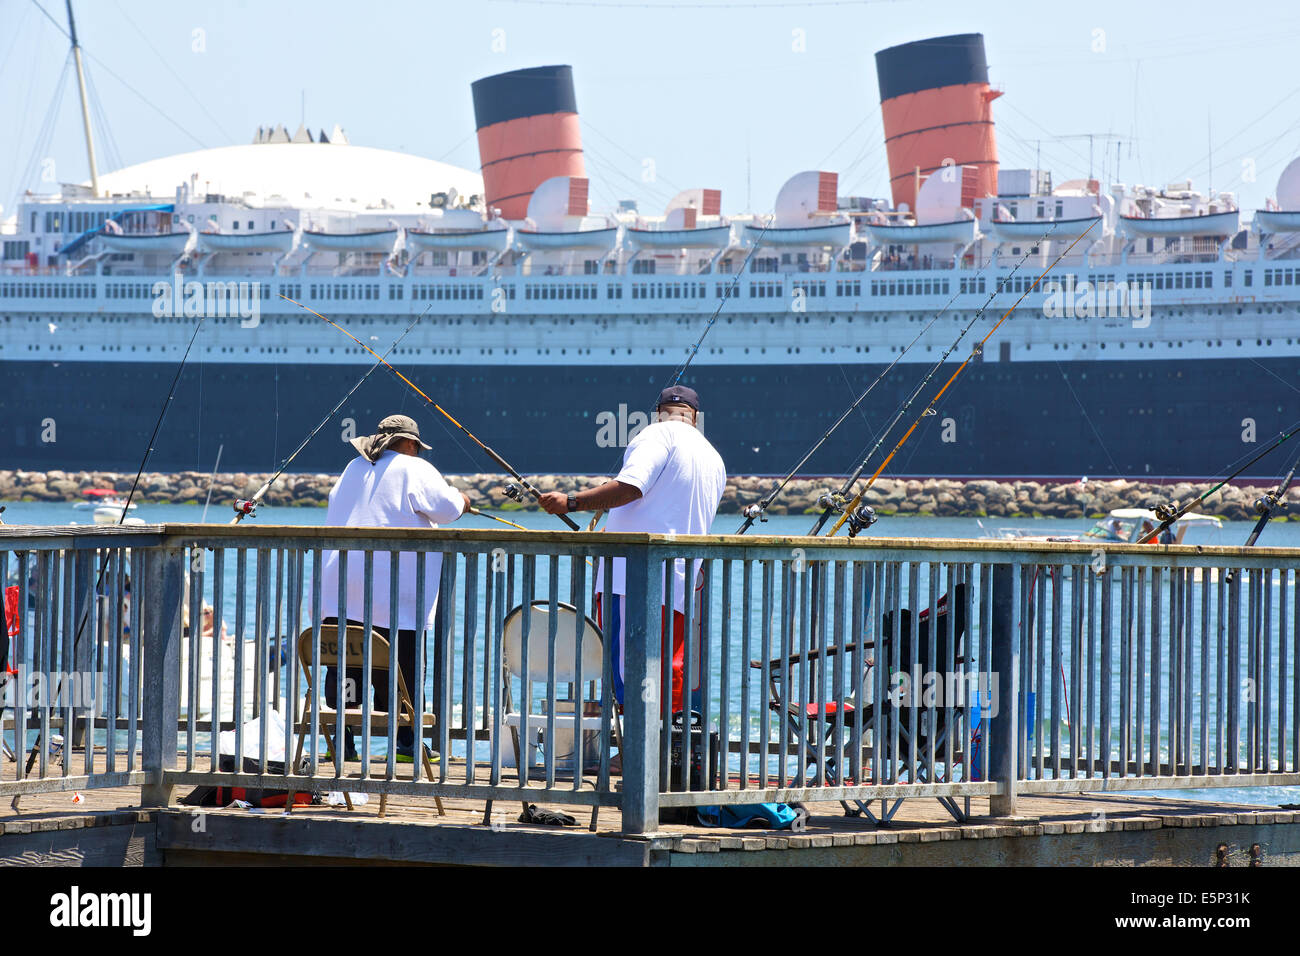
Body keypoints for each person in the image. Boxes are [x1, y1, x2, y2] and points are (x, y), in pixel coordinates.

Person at [539, 385, 726, 713]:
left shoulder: (656, 436)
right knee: (669, 667)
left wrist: (571, 502)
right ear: (694, 417)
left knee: (629, 667)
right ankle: (667, 749)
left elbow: (632, 486)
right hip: (680, 581)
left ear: (659, 413)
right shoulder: (712, 456)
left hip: (632, 579)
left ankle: (632, 758)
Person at [317, 414, 469, 762]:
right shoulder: (415, 468)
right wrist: (463, 500)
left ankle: (341, 743)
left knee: (345, 667)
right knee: (401, 670)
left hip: (339, 590)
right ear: (412, 444)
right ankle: (406, 746)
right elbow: (446, 509)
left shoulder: (352, 467)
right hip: (394, 593)